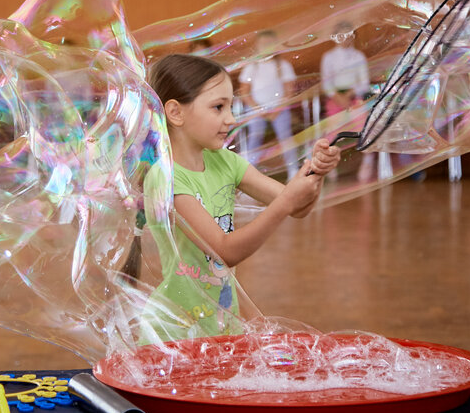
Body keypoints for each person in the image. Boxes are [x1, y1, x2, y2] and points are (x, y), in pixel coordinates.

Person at [141, 54, 339, 340]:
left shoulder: (226, 162)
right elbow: (224, 250)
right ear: (176, 113)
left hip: (221, 321)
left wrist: (314, 172)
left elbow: (296, 206)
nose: (231, 119)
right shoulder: (167, 178)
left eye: (231, 106)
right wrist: (286, 202)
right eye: (218, 107)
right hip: (176, 332)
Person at [238, 30, 299, 181]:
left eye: (270, 43)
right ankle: (249, 175)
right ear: (257, 46)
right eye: (263, 43)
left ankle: (293, 169)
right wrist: (258, 109)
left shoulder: (283, 65)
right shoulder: (252, 67)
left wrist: (277, 108)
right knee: (255, 136)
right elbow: (245, 92)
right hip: (255, 109)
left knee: (285, 136)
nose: (266, 46)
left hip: (279, 108)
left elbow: (289, 90)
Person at [319, 22, 376, 181]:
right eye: (342, 35)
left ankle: (367, 161)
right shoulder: (328, 57)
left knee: (364, 128)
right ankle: (330, 166)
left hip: (354, 98)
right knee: (332, 131)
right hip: (335, 98)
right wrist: (338, 97)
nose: (346, 38)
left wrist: (350, 94)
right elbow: (326, 83)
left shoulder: (358, 56)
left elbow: (364, 82)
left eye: (349, 34)